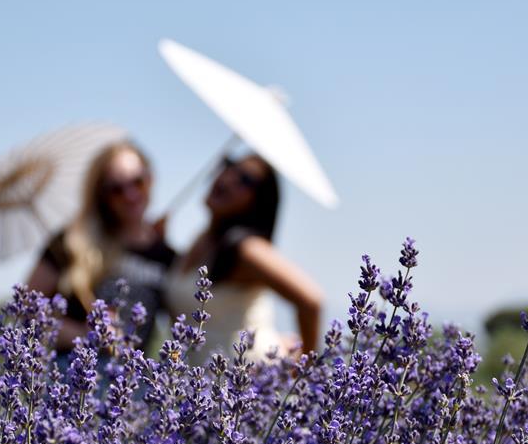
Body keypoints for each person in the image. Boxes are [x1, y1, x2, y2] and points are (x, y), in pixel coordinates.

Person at [165, 153, 323, 359]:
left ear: (259, 202)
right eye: (229, 165)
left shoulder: (246, 249)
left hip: (250, 382)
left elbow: (311, 301)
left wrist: (305, 367)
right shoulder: (204, 238)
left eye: (245, 180)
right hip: (202, 381)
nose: (229, 179)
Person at [27, 142, 175, 351]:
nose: (130, 195)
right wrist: (82, 334)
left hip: (134, 377)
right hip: (73, 375)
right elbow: (26, 311)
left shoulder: (167, 256)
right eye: (117, 189)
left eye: (138, 182)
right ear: (102, 195)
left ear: (150, 180)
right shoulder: (73, 241)